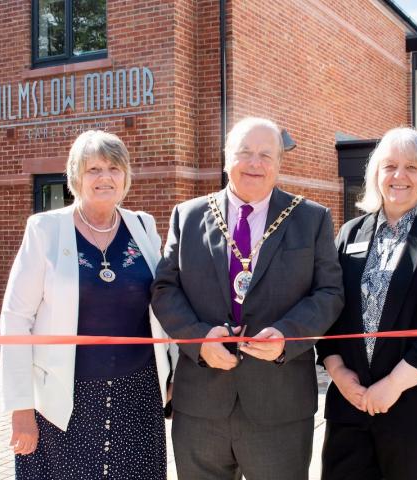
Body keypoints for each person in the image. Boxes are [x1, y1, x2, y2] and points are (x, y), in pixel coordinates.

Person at [151, 117, 344, 480]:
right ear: (227, 158)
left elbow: (330, 293)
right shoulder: (188, 216)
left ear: (279, 163)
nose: (255, 163)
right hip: (201, 408)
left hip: (279, 406)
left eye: (265, 155)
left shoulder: (311, 218)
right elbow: (165, 289)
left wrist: (288, 335)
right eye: (245, 153)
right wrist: (197, 340)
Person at [0, 130, 178, 479]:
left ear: (125, 176)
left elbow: (164, 305)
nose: (105, 177)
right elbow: (16, 318)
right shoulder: (45, 229)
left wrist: (172, 372)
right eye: (93, 169)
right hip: (64, 398)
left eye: (114, 168)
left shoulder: (143, 226)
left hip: (139, 394)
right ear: (75, 177)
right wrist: (21, 408)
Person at [316, 127, 417, 480]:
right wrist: (340, 376)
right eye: (389, 166)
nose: (399, 176)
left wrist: (392, 386)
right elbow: (330, 312)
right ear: (376, 174)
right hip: (350, 410)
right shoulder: (350, 233)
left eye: (412, 167)